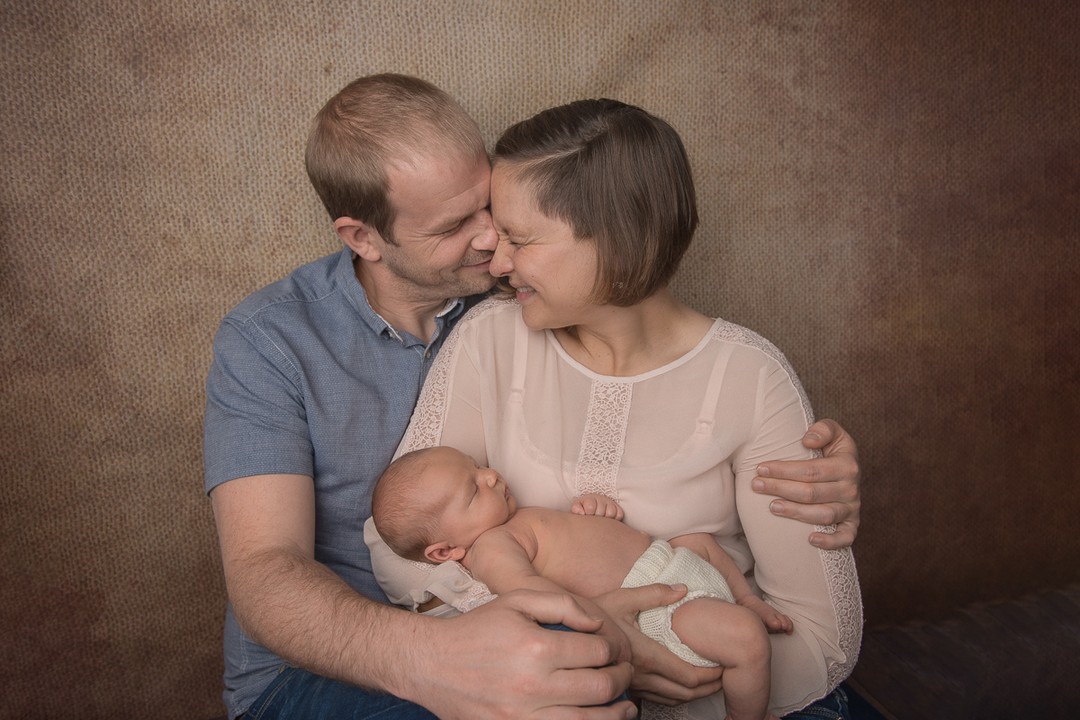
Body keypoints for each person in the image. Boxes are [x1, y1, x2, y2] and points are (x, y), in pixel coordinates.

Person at [204, 73, 862, 720]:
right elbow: (268, 572)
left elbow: (812, 619)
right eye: (458, 225)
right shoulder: (276, 341)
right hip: (351, 664)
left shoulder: (512, 309)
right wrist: (567, 645)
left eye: (493, 213)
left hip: (558, 662)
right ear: (363, 238)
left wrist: (820, 478)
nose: (492, 248)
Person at [374, 445, 796, 720]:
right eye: (473, 491)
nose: (490, 476)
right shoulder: (491, 548)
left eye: (478, 467)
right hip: (656, 611)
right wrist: (602, 612)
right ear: (444, 552)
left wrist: (595, 514)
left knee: (699, 537)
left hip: (670, 563)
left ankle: (746, 596)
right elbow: (532, 594)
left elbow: (575, 546)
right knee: (746, 638)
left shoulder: (511, 521)